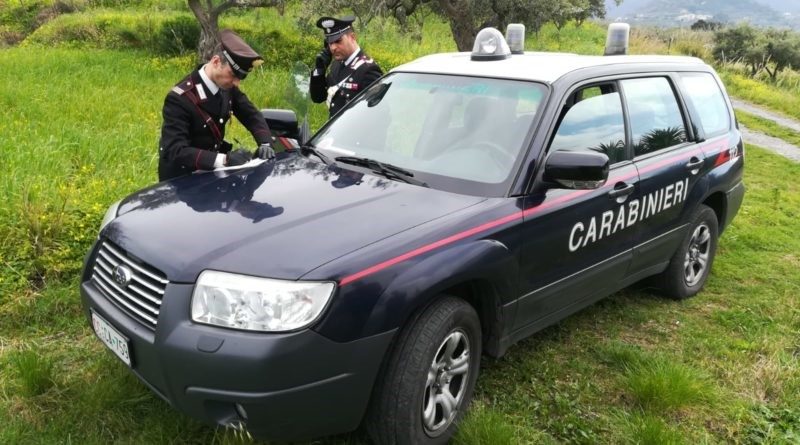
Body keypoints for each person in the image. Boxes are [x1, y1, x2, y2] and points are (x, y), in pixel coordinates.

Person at [158, 29, 276, 181]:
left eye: (240, 78)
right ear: (215, 62)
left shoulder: (225, 86)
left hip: (210, 175)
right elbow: (175, 150)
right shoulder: (180, 98)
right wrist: (224, 160)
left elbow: (250, 114)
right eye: (233, 75)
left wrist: (265, 143)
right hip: (182, 178)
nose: (236, 83)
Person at [310, 16, 383, 118]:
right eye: (330, 42)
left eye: (338, 41)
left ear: (352, 37)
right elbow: (318, 97)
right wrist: (319, 70)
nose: (333, 47)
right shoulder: (336, 64)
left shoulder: (367, 69)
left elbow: (380, 111)